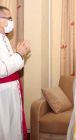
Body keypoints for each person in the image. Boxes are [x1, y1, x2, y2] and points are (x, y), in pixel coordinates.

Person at [0, 6, 31, 140]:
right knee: (5, 128)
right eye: (9, 18)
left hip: (11, 90)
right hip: (3, 93)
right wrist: (18, 54)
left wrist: (18, 54)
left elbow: (12, 64)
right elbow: (1, 70)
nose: (11, 22)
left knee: (13, 126)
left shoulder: (4, 38)